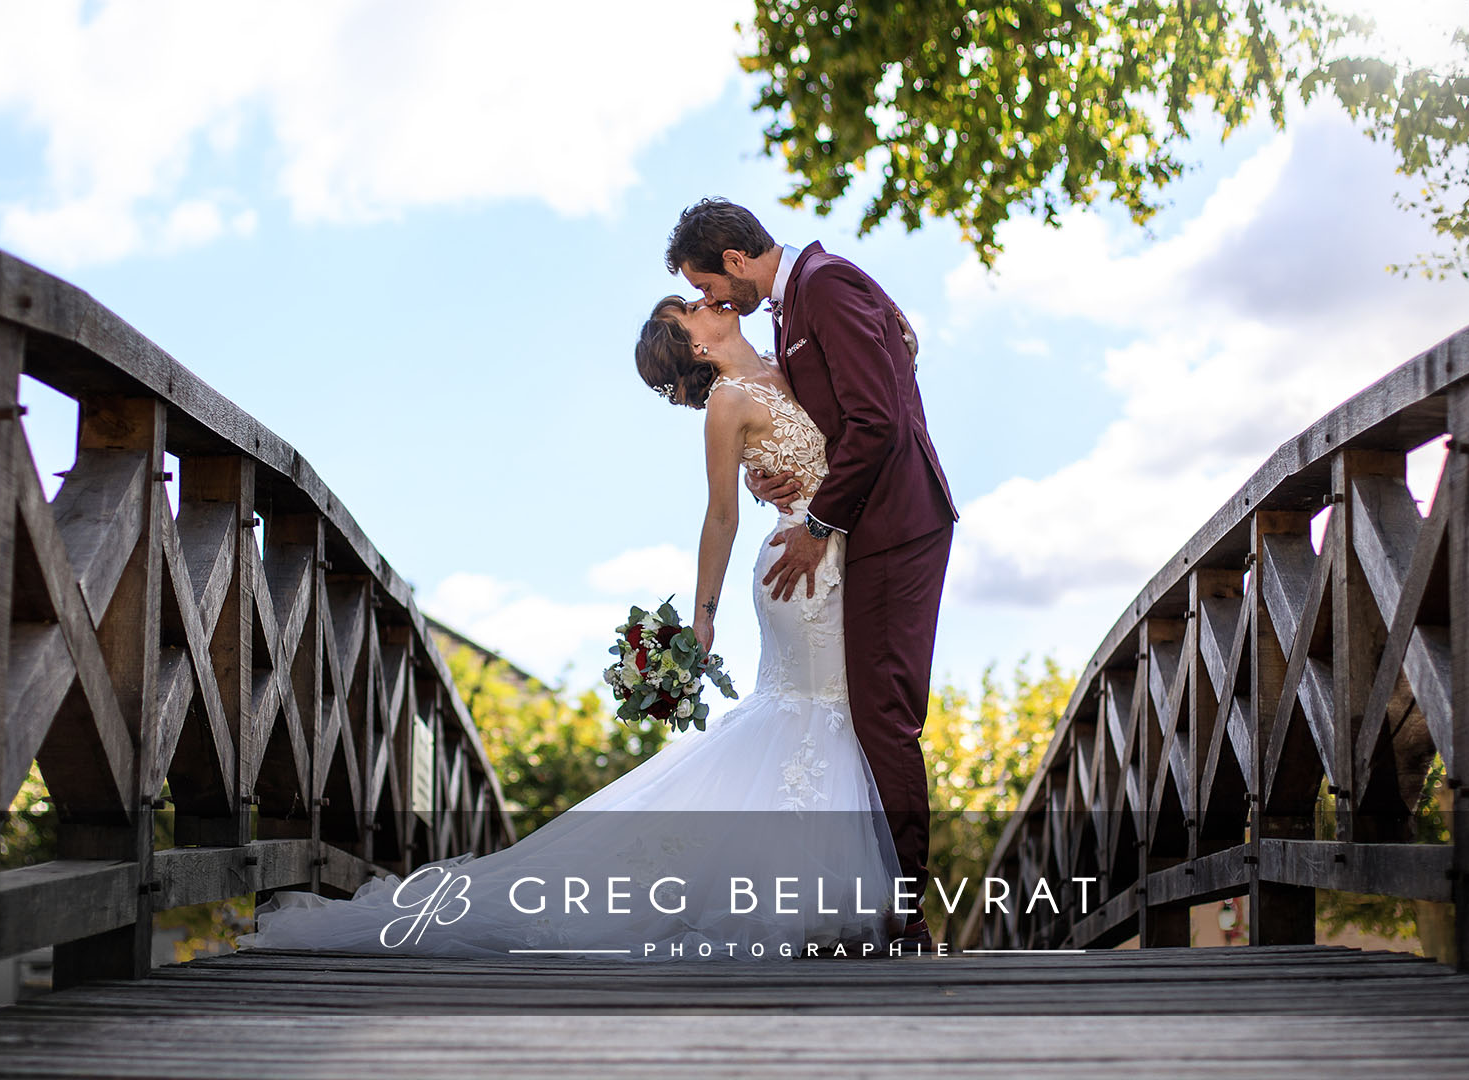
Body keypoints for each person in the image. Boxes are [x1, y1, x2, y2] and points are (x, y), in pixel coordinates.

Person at [238, 294, 907, 960]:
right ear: (698, 346)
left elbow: (860, 414)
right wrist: (703, 619)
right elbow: (722, 516)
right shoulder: (729, 402)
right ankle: (811, 905)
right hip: (798, 571)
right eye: (691, 310)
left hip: (845, 558)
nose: (707, 302)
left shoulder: (784, 362)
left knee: (828, 716)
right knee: (810, 714)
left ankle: (810, 897)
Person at [665, 199, 958, 947]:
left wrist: (821, 518)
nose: (712, 302)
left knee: (880, 721)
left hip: (888, 525)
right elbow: (836, 413)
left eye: (709, 287)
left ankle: (902, 919)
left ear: (734, 262)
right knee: (859, 718)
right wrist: (774, 471)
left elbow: (880, 420)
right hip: (846, 537)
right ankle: (878, 911)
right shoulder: (788, 312)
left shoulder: (821, 285)